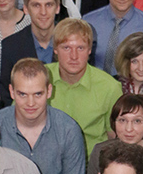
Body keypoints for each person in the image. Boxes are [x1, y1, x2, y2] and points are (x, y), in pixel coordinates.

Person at [0, 58, 85, 174]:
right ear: (11, 91)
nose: (30, 103)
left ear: (49, 91)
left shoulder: (68, 130)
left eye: (38, 94)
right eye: (22, 94)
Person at [47, 17, 123, 157]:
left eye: (80, 48)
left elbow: (116, 137)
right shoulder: (40, 79)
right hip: (46, 163)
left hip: (92, 166)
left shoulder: (110, 87)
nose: (74, 56)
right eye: (66, 48)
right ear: (55, 49)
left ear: (89, 50)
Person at [0, 0, 67, 103]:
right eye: (36, 5)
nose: (43, 12)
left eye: (48, 5)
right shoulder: (11, 46)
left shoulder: (72, 44)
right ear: (25, 9)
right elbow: (7, 96)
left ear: (57, 8)